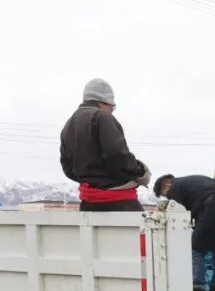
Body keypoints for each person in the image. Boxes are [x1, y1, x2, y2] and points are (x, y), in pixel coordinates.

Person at [60, 79, 150, 211]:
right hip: (119, 202)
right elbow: (117, 154)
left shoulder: (68, 125)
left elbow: (67, 166)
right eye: (112, 106)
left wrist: (90, 181)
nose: (112, 111)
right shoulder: (102, 117)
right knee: (141, 225)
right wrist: (140, 171)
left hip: (88, 204)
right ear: (104, 101)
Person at [154, 174, 215, 291]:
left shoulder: (175, 188)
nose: (168, 198)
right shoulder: (195, 181)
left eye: (165, 195)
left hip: (212, 207)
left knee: (197, 249)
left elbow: (180, 215)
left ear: (167, 185)